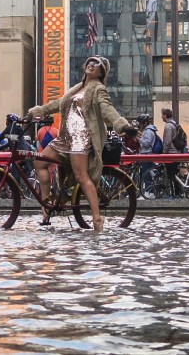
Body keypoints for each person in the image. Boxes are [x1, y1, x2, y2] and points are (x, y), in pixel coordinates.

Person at [28, 56, 130, 232]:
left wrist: (122, 124)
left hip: (80, 138)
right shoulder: (77, 88)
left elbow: (107, 109)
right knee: (39, 162)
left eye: (97, 64)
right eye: (90, 62)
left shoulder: (98, 89)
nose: (91, 65)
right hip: (64, 137)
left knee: (82, 176)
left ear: (101, 72)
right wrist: (38, 111)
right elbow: (58, 104)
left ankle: (97, 218)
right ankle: (46, 205)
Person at [161, 108, 181, 197]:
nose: (161, 117)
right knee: (175, 174)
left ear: (165, 115)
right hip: (177, 152)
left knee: (171, 175)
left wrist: (164, 153)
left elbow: (167, 142)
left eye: (162, 115)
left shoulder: (168, 126)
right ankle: (177, 193)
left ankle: (174, 194)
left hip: (171, 153)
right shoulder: (175, 124)